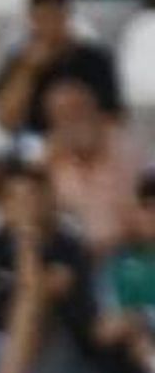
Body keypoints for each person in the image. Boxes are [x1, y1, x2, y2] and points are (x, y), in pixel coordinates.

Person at [0, 163, 100, 373]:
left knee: (30, 302)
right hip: (1, 340)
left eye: (29, 197)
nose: (22, 206)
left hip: (57, 350)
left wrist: (26, 240)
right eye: (13, 198)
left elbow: (37, 289)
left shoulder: (67, 246)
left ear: (47, 199)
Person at [0, 0, 123, 136]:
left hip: (84, 137)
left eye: (53, 17)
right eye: (40, 19)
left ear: (66, 17)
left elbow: (112, 115)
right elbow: (6, 120)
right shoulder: (18, 60)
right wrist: (28, 71)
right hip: (33, 139)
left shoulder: (94, 59)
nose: (47, 26)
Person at [41, 77, 144, 255]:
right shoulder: (50, 163)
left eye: (78, 109)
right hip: (77, 260)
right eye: (63, 115)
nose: (74, 120)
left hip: (131, 252)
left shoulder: (128, 149)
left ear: (97, 111)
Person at [96, 173, 155, 373]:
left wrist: (142, 318)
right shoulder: (118, 262)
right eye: (148, 208)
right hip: (133, 353)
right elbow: (106, 326)